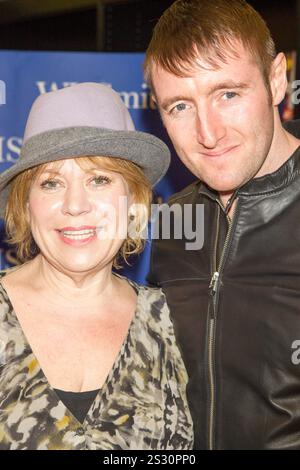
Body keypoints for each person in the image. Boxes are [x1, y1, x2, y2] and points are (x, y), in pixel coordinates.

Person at [0, 82, 194, 450]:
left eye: (99, 179)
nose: (76, 204)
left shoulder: (175, 323)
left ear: (134, 200)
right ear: (26, 205)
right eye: (52, 183)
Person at [145, 0, 300, 450]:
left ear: (276, 80)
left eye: (227, 94)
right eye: (179, 107)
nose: (208, 134)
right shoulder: (176, 217)